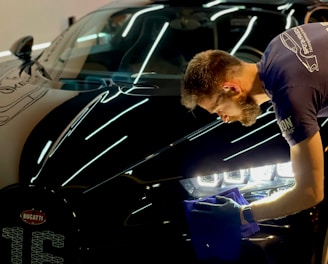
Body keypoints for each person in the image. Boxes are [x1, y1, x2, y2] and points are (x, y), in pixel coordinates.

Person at [181, 22, 328, 263]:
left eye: (219, 109)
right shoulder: (279, 45)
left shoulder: (290, 94)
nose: (225, 119)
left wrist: (242, 214)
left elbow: (311, 192)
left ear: (231, 88)